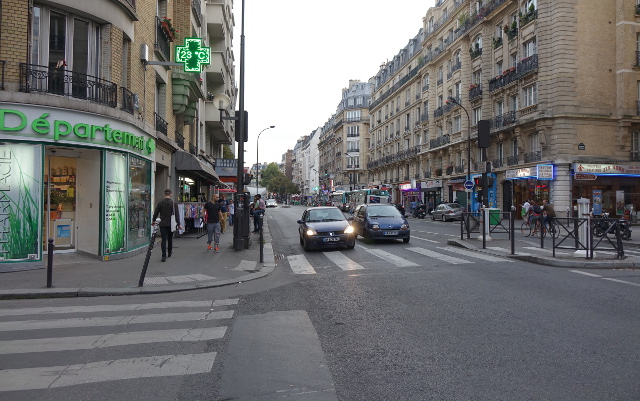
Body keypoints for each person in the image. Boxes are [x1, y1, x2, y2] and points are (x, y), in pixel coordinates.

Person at [152, 189, 182, 262]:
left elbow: (155, 213)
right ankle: (169, 252)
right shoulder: (174, 203)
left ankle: (163, 256)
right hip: (171, 224)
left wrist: (153, 220)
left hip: (163, 224)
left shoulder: (160, 203)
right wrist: (179, 224)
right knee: (170, 238)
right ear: (170, 194)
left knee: (163, 239)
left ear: (164, 194)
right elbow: (177, 215)